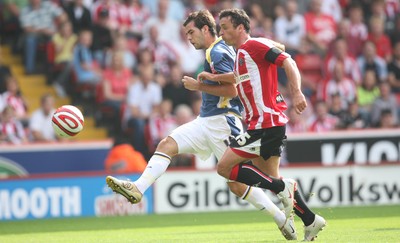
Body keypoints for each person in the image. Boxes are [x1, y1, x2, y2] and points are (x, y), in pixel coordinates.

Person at [107, 10, 297, 240]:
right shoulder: (215, 50)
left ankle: (283, 214)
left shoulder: (217, 51)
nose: (188, 37)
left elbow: (233, 87)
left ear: (205, 29)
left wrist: (199, 87)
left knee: (237, 184)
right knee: (167, 144)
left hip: (223, 122)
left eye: (191, 31)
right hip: (206, 120)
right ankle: (138, 188)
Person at [198, 8, 326, 241]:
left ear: (240, 28)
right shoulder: (241, 53)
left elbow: (288, 60)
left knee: (225, 168)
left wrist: (296, 92)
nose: (221, 31)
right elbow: (279, 49)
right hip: (264, 125)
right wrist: (214, 78)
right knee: (272, 179)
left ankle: (283, 188)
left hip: (265, 124)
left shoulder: (252, 46)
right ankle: (310, 220)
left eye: (225, 27)